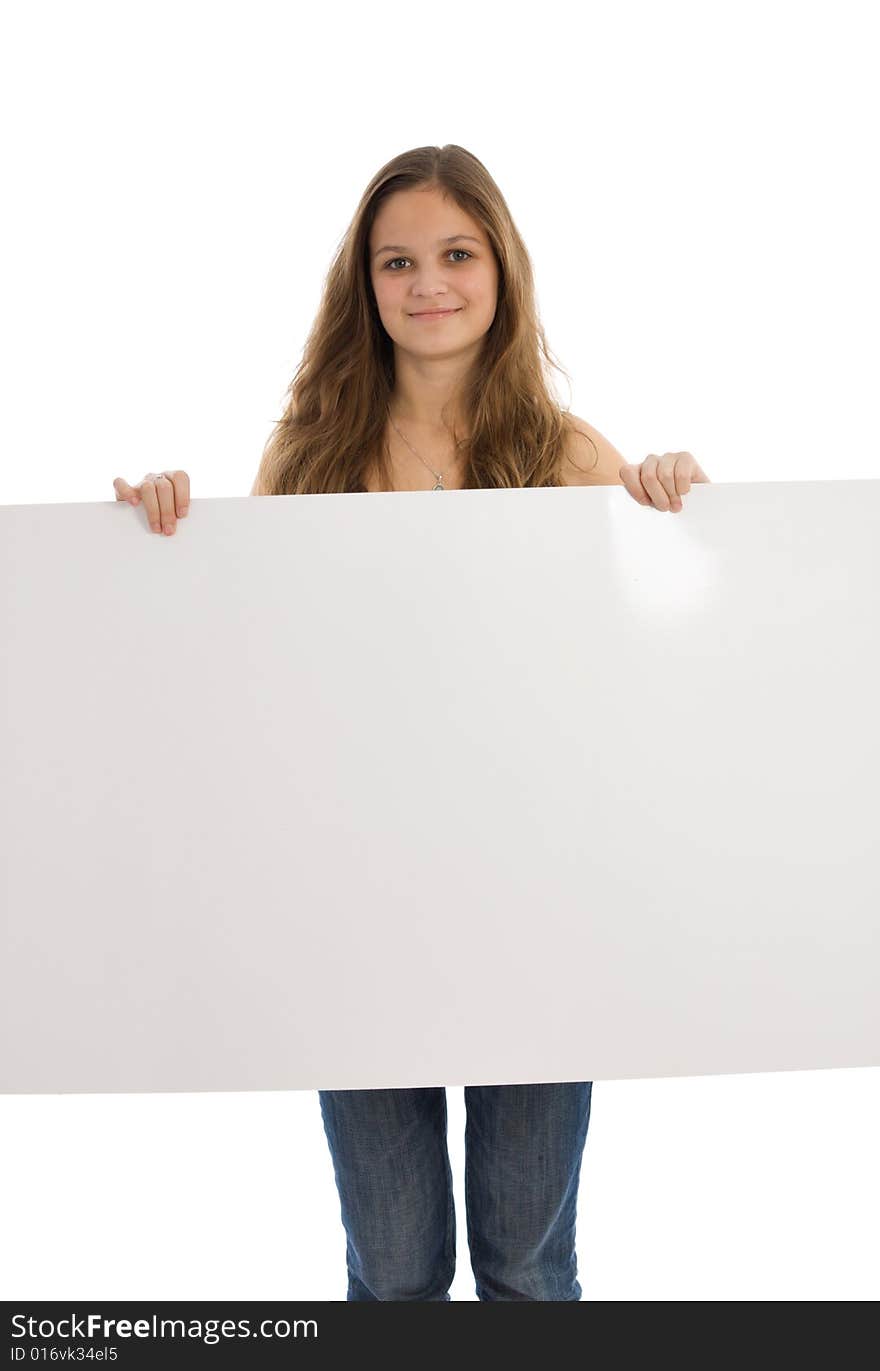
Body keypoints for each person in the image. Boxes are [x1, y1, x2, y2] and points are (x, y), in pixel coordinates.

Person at [113, 144, 710, 1300]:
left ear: (500, 271)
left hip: (535, 905)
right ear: (366, 285)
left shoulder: (565, 455)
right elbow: (241, 648)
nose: (426, 282)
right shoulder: (313, 455)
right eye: (397, 261)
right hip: (357, 908)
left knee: (527, 1264)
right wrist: (155, 526)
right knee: (390, 1272)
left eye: (454, 254)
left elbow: (643, 650)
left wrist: (667, 494)